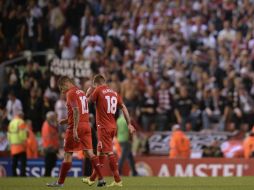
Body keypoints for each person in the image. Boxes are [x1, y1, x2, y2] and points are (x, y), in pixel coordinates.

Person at [46, 76, 105, 187]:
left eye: (61, 88)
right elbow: (81, 112)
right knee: (90, 153)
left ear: (66, 83)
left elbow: (76, 111)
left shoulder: (71, 93)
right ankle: (101, 179)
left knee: (68, 154)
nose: (62, 91)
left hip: (76, 127)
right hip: (86, 126)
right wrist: (66, 120)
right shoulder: (81, 92)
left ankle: (60, 183)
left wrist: (74, 129)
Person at [82, 74, 136, 187]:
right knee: (101, 153)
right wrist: (129, 124)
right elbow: (124, 107)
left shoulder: (98, 90)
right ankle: (92, 179)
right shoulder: (114, 93)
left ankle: (117, 179)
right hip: (112, 126)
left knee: (108, 152)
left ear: (96, 83)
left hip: (103, 127)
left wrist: (87, 94)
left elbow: (86, 104)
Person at [7, 111, 28, 176]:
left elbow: (8, 133)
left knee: (14, 161)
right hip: (20, 144)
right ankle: (22, 174)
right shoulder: (21, 122)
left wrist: (10, 141)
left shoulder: (11, 122)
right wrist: (24, 141)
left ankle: (14, 174)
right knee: (23, 161)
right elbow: (22, 133)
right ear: (21, 116)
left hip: (13, 144)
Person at [41, 111, 59, 177]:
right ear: (50, 117)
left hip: (53, 148)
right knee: (49, 164)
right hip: (49, 147)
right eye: (53, 116)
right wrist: (51, 146)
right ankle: (46, 175)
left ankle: (47, 175)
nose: (55, 118)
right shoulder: (47, 125)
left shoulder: (51, 124)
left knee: (52, 163)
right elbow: (48, 136)